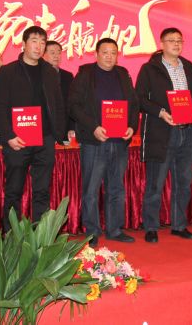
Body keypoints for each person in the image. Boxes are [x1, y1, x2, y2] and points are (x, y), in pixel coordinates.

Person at [69, 38, 139, 247]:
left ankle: (114, 229)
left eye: (113, 53)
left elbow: (133, 104)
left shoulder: (123, 74)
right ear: (96, 54)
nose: (110, 56)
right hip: (95, 141)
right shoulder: (85, 74)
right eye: (105, 52)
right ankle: (92, 232)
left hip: (119, 141)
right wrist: (93, 127)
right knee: (91, 189)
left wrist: (131, 126)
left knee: (116, 187)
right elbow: (74, 106)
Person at [0, 26, 65, 230]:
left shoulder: (49, 71)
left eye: (42, 42)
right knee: (13, 191)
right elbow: (0, 106)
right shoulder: (8, 71)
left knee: (42, 191)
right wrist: (8, 136)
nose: (38, 46)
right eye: (34, 41)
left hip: (45, 140)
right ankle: (11, 236)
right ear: (24, 44)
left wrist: (58, 134)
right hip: (17, 140)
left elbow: (58, 104)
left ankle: (39, 236)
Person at [135, 28, 192, 244]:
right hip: (161, 132)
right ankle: (151, 227)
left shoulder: (188, 67)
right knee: (156, 183)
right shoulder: (150, 69)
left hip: (186, 131)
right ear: (162, 44)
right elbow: (140, 98)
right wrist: (161, 112)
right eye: (171, 40)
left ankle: (179, 225)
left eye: (179, 40)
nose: (176, 44)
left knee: (183, 182)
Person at [43, 40, 75, 142]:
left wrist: (72, 127)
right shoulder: (38, 75)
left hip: (65, 128)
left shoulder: (68, 76)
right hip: (44, 129)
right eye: (52, 53)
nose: (56, 56)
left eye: (59, 53)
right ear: (43, 55)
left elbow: (72, 104)